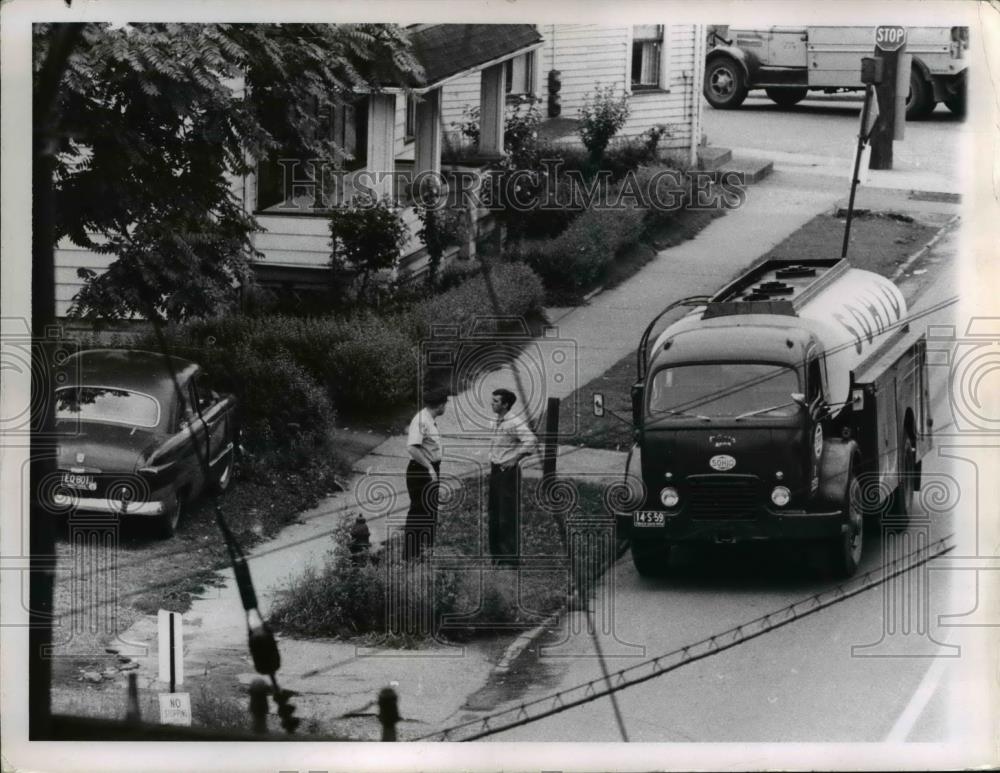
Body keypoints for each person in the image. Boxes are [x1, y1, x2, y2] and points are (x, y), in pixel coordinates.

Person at [487, 388, 538, 565]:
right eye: (492, 400)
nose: (491, 404)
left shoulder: (514, 422)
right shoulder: (494, 419)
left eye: (495, 401)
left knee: (506, 515)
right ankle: (496, 556)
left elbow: (531, 440)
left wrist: (515, 458)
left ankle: (510, 559)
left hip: (507, 473)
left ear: (505, 404)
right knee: (493, 513)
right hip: (495, 470)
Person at [403, 388, 448, 559]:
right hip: (420, 470)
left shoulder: (429, 419)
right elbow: (412, 447)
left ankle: (425, 552)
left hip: (428, 468)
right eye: (445, 404)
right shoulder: (422, 420)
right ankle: (411, 555)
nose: (446, 408)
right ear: (441, 405)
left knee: (429, 511)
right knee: (419, 512)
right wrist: (429, 468)